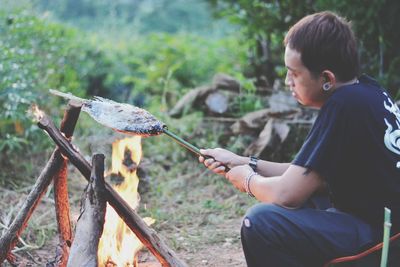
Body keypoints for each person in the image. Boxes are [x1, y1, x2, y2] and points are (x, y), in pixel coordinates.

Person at [199, 11, 400, 267]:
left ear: (327, 78)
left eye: (294, 73)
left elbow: (286, 193)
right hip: (383, 227)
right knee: (305, 199)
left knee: (262, 223)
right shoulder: (368, 91)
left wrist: (247, 180)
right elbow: (304, 175)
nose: (287, 82)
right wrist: (244, 161)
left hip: (381, 240)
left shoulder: (343, 105)